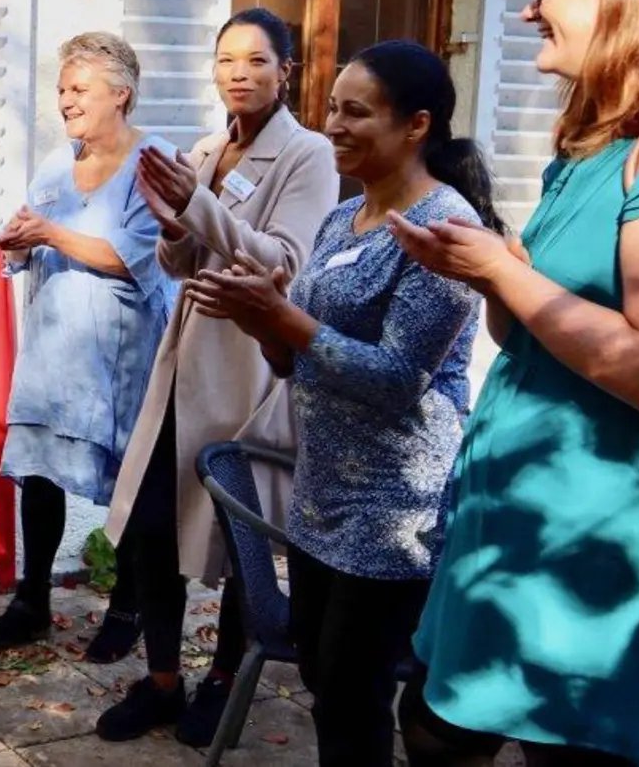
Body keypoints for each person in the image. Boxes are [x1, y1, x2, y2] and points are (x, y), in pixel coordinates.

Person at [385, 0, 639, 765]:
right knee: (429, 726)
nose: (527, 6)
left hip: (588, 549)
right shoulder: (585, 150)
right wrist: (489, 269)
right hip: (510, 526)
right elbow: (530, 338)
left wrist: (506, 271)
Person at [184, 39, 498, 767]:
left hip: (394, 512)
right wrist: (260, 322)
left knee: (354, 701)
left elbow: (394, 380)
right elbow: (299, 363)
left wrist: (284, 318)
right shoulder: (342, 219)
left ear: (415, 126)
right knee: (329, 685)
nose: (333, 125)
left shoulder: (444, 233)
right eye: (332, 107)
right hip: (323, 497)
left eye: (356, 112)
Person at [94, 8, 339, 746]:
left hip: (244, 371)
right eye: (227, 59)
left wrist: (193, 206)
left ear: (285, 72)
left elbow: (281, 261)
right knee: (150, 531)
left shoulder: (310, 155)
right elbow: (181, 263)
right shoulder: (205, 151)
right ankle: (163, 681)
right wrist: (174, 225)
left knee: (236, 542)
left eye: (258, 60)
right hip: (180, 365)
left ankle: (226, 679)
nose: (239, 73)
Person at [0, 32, 177, 661]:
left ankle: (128, 608)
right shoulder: (57, 166)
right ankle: (31, 601)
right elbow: (36, 236)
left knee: (130, 485)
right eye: (61, 89)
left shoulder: (157, 163)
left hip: (121, 356)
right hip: (53, 350)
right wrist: (21, 243)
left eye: (78, 88)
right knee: (38, 475)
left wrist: (52, 234)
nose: (64, 100)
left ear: (121, 94)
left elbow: (134, 259)